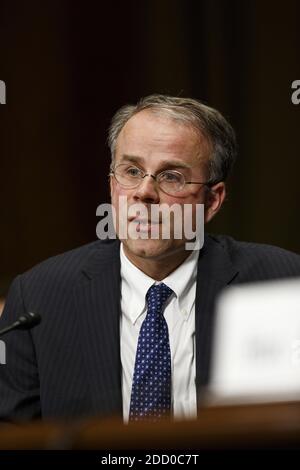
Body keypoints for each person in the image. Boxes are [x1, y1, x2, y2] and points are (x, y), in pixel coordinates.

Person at [0, 94, 299, 423]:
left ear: (212, 200)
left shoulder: (280, 284)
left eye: (171, 176)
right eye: (131, 171)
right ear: (112, 183)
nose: (144, 192)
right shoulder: (39, 297)